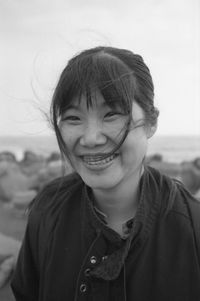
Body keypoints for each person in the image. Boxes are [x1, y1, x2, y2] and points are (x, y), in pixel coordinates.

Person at [11, 46, 200, 301]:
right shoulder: (47, 211)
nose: (90, 139)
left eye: (111, 115)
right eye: (74, 118)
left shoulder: (191, 227)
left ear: (151, 121)